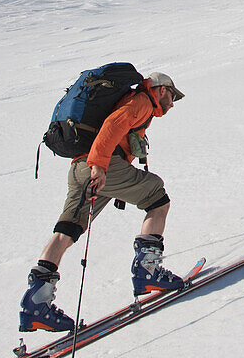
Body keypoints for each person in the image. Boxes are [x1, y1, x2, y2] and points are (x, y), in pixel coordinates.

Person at [19, 72, 186, 333]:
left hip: (80, 167)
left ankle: (36, 307)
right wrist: (99, 166)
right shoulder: (141, 101)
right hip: (100, 166)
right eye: (172, 96)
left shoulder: (136, 102)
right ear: (162, 89)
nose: (173, 103)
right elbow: (112, 126)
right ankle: (148, 272)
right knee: (157, 198)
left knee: (66, 231)